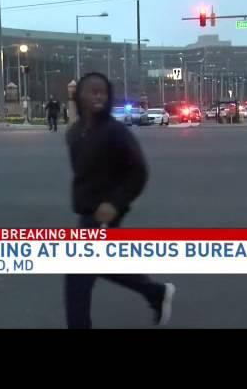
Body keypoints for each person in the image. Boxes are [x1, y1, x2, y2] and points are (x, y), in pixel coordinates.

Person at [64, 72, 175, 329]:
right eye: (92, 91)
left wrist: (114, 203)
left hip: (104, 213)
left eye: (102, 91)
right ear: (80, 96)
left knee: (77, 277)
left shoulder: (114, 132)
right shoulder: (76, 132)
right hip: (87, 212)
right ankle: (155, 293)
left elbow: (139, 171)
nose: (98, 96)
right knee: (102, 266)